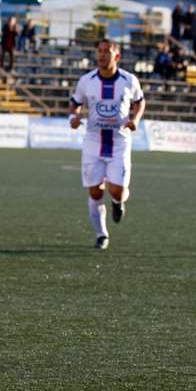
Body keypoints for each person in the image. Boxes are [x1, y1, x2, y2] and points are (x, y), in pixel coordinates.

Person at [70, 39, 145, 250]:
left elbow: (140, 101)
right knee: (95, 192)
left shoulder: (129, 80)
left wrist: (136, 119)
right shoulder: (87, 81)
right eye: (100, 51)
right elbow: (75, 104)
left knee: (117, 191)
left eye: (107, 52)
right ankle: (101, 234)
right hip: (93, 142)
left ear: (117, 57)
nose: (102, 55)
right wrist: (73, 119)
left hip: (119, 143)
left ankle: (118, 203)